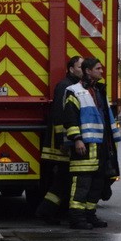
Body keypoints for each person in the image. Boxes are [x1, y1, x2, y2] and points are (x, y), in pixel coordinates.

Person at [62, 58, 121, 230]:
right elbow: (70, 117)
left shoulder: (99, 91)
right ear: (88, 71)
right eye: (98, 69)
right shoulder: (73, 91)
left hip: (102, 146)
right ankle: (77, 218)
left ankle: (90, 215)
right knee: (82, 184)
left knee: (98, 184)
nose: (102, 71)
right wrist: (77, 139)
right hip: (85, 147)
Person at [37, 56, 83, 224]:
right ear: (71, 69)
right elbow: (59, 115)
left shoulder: (74, 86)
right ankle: (46, 211)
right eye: (80, 67)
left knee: (63, 179)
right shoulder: (65, 86)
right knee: (63, 179)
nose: (82, 69)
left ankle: (47, 210)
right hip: (63, 143)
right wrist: (62, 141)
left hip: (67, 141)